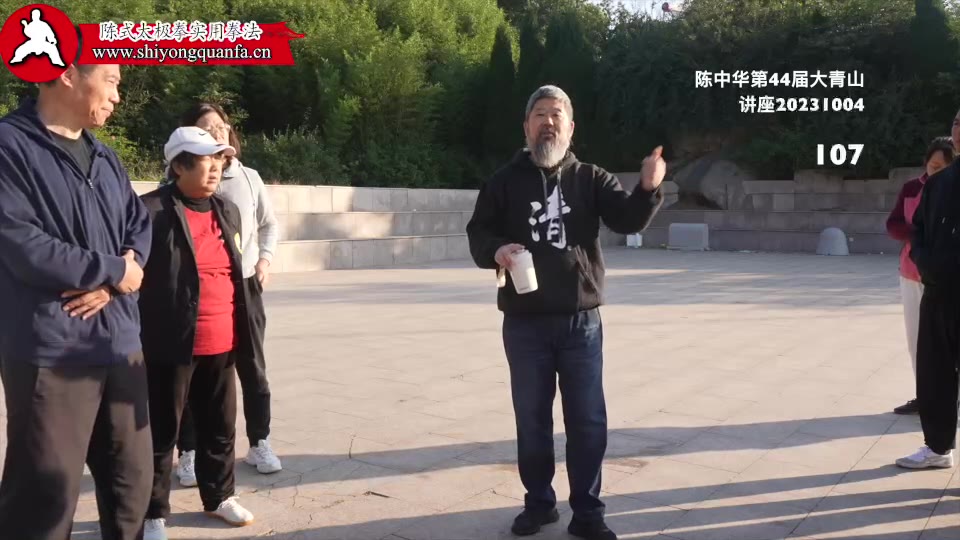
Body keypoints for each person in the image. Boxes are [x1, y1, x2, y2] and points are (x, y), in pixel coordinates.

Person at [465, 85, 665, 540]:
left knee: (587, 419)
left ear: (571, 128)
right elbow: (478, 233)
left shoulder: (591, 178)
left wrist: (648, 188)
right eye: (539, 114)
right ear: (526, 126)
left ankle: (588, 512)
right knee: (531, 418)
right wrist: (497, 249)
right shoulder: (503, 181)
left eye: (556, 114)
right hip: (524, 322)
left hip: (581, 323)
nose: (548, 122)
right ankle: (539, 503)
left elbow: (627, 219)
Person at [0, 63, 153, 540]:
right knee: (42, 502)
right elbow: (21, 243)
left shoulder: (104, 156)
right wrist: (112, 269)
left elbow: (138, 226)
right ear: (68, 74)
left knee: (131, 485)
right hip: (53, 350)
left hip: (120, 343)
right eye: (111, 81)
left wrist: (115, 281)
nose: (117, 96)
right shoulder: (10, 147)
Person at [139, 127, 257, 539]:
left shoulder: (227, 209)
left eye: (219, 159)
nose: (215, 167)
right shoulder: (150, 211)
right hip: (169, 343)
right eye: (205, 159)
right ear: (178, 166)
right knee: (160, 431)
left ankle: (219, 495)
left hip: (223, 340)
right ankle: (153, 512)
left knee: (220, 426)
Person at [170, 103, 281, 488]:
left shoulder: (249, 178)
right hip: (196, 292)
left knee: (253, 367)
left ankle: (260, 441)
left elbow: (269, 225)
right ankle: (188, 451)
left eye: (222, 126)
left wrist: (264, 260)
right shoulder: (180, 185)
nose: (218, 132)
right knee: (192, 372)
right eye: (207, 128)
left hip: (244, 285)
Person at [897, 108, 960, 470]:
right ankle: (938, 447)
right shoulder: (938, 183)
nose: (959, 129)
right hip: (938, 293)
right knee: (935, 373)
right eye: (956, 122)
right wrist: (925, 263)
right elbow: (918, 230)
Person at [886, 136, 956, 415]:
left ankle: (951, 399)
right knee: (917, 339)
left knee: (949, 342)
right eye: (933, 166)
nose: (937, 172)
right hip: (912, 273)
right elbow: (893, 224)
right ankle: (925, 396)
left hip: (947, 278)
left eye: (944, 167)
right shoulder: (912, 188)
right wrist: (917, 236)